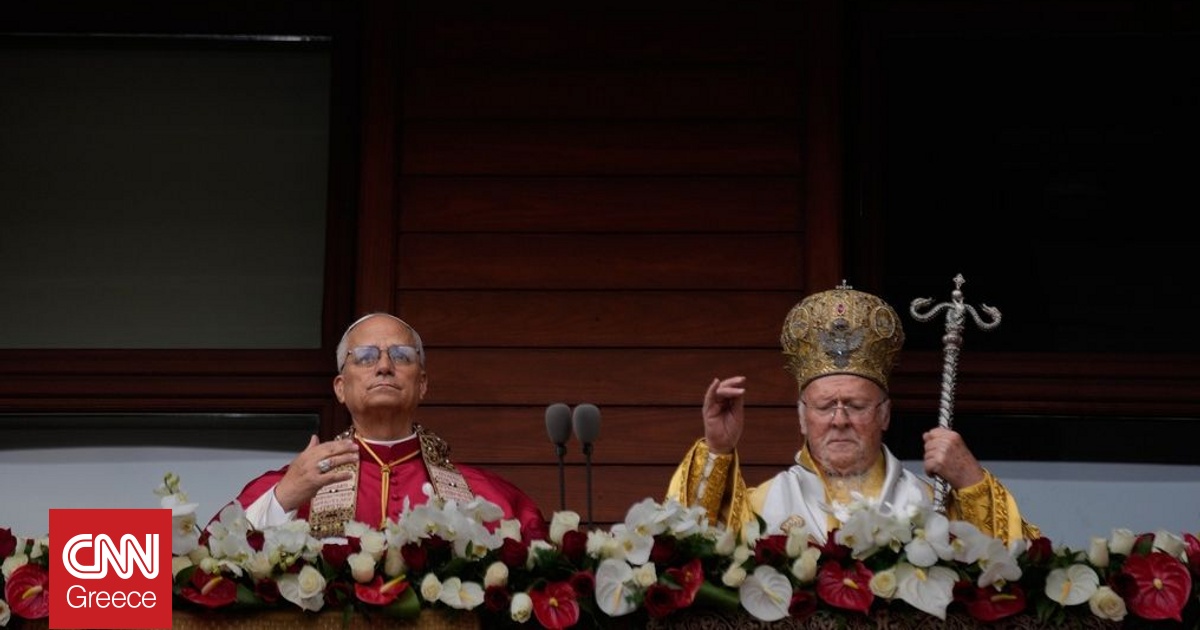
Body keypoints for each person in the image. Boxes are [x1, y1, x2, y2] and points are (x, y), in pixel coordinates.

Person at [666, 283, 1039, 544]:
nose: (839, 419)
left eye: (857, 406)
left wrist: (970, 481)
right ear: (802, 417)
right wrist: (717, 449)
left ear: (885, 415)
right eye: (826, 405)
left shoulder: (930, 505)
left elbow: (1014, 569)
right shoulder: (763, 505)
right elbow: (688, 552)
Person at [230, 312, 549, 541]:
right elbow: (208, 563)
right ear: (340, 388)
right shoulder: (293, 486)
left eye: (401, 356)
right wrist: (284, 497)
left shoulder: (487, 496)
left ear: (422, 384)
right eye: (366, 357)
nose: (384, 366)